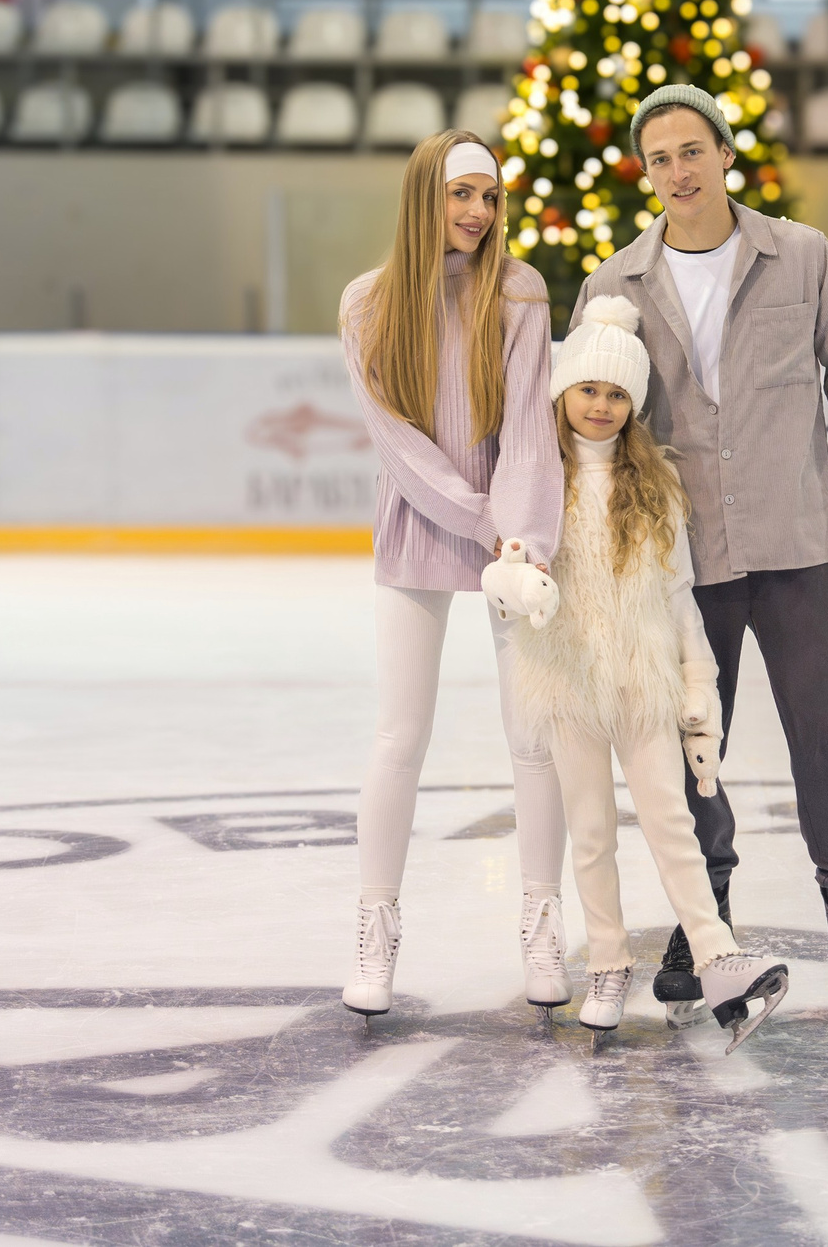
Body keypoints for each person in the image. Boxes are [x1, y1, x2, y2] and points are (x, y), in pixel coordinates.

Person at [575, 82, 828, 1023]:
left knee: (826, 737)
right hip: (683, 559)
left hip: (798, 537)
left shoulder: (800, 255)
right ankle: (705, 917)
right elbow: (591, 416)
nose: (678, 171)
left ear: (725, 154)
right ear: (644, 175)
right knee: (696, 746)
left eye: (693, 151)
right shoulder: (615, 285)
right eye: (659, 159)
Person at [494, 295, 791, 1047]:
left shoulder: (655, 485)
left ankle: (719, 955)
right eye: (588, 389)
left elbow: (681, 602)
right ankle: (607, 962)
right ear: (563, 393)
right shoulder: (534, 480)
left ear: (634, 404)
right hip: (566, 682)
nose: (600, 406)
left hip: (641, 682)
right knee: (590, 833)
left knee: (669, 822)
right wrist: (515, 585)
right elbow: (499, 572)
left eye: (617, 393)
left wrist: (700, 707)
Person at [335, 130, 568, 1018]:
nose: (476, 213)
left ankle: (542, 923)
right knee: (400, 735)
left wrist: (522, 542)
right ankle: (375, 925)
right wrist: (482, 523)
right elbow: (399, 448)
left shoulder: (519, 291)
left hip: (515, 541)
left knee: (534, 739)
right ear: (424, 194)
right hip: (421, 525)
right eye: (459, 193)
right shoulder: (367, 305)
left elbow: (529, 437)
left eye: (488, 197)